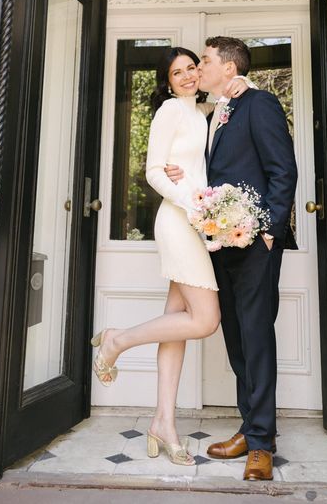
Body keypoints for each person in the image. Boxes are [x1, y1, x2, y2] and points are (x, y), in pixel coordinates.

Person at [90, 47, 250, 467]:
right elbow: (154, 171)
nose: (186, 76)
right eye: (177, 72)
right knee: (205, 319)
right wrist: (193, 201)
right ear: (167, 79)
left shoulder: (201, 112)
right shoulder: (168, 112)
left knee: (176, 324)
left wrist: (244, 84)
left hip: (197, 222)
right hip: (179, 221)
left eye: (192, 68)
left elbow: (231, 102)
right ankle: (116, 340)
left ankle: (163, 422)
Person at [166, 37, 297, 481]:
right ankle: (252, 427)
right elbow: (212, 171)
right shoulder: (215, 114)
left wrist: (268, 231)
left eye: (204, 61)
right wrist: (178, 172)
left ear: (229, 67)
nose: (198, 68)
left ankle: (260, 446)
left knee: (257, 336)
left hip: (255, 243)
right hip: (221, 244)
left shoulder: (258, 103)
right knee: (237, 339)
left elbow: (283, 170)